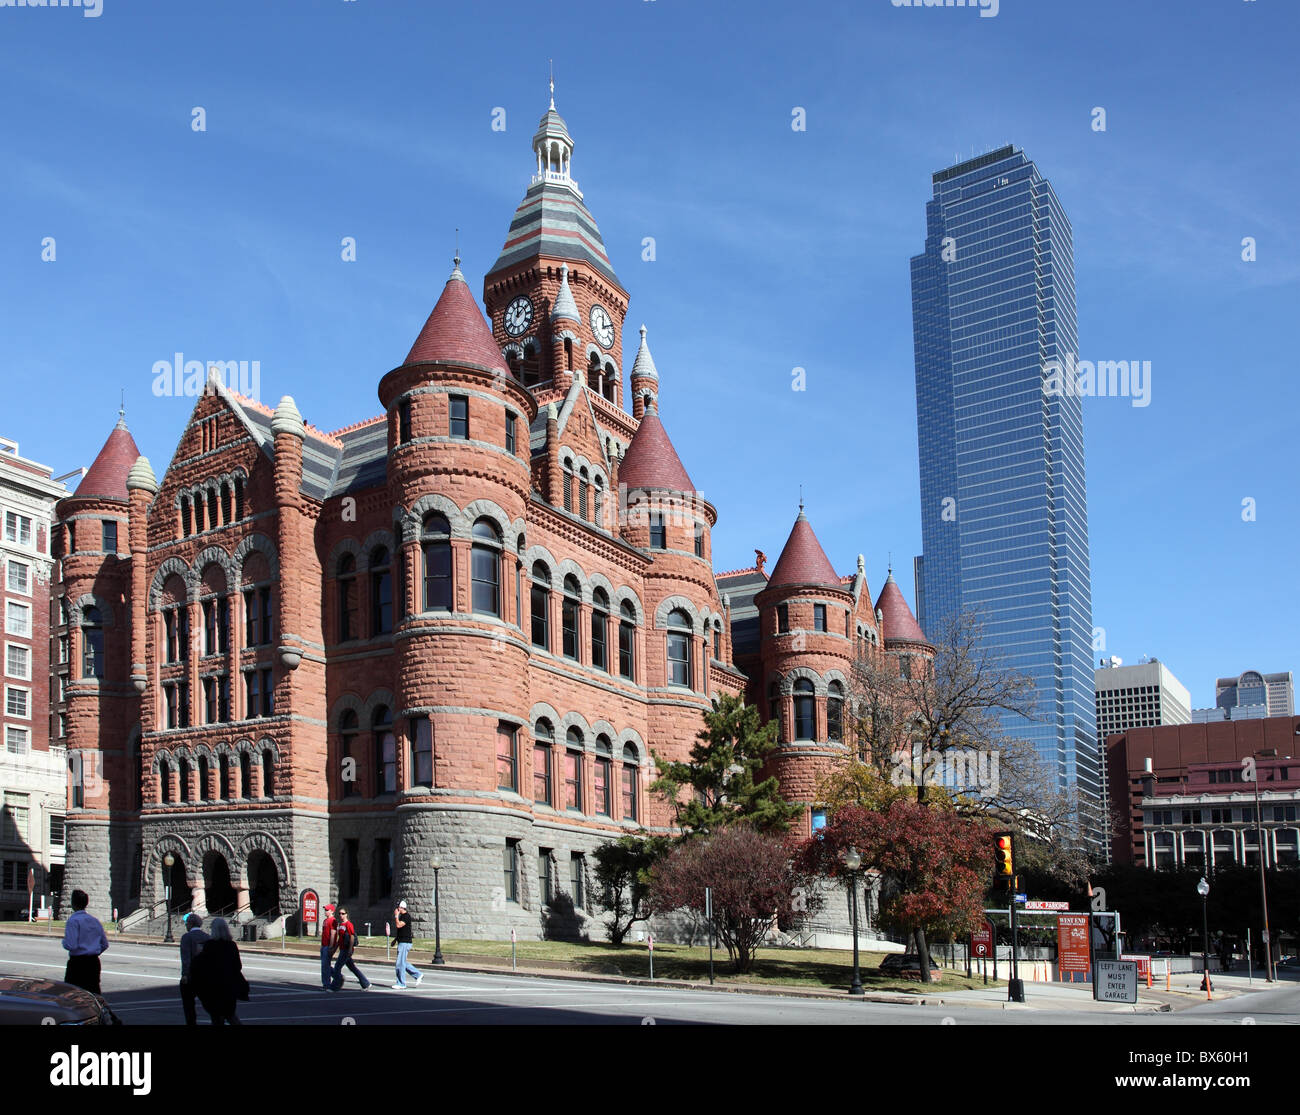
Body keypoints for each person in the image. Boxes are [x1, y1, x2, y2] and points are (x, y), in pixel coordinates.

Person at [192, 917, 246, 1024]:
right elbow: (238, 966)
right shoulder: (231, 945)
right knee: (230, 1014)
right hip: (229, 986)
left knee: (216, 1016)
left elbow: (201, 965)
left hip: (213, 987)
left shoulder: (209, 945)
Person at [62, 889, 109, 995]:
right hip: (93, 962)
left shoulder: (73, 921)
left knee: (72, 993)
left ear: (73, 903)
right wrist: (93, 951)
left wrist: (64, 942)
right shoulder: (94, 921)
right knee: (94, 992)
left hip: (78, 963)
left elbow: (71, 945)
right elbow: (104, 944)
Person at [329, 906, 371, 991]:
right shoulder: (341, 925)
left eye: (343, 913)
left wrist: (350, 949)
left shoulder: (349, 924)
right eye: (340, 914)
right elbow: (340, 939)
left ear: (346, 914)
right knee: (352, 968)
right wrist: (334, 949)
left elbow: (352, 937)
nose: (341, 915)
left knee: (337, 967)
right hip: (342, 949)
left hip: (346, 950)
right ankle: (366, 984)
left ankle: (335, 987)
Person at [178, 913, 210, 1025]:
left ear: (191, 924)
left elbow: (186, 958)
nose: (186, 925)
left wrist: (185, 974)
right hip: (205, 976)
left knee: (188, 1005)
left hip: (191, 976)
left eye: (187, 923)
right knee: (208, 1003)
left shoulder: (186, 937)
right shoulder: (207, 937)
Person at [391, 899, 423, 989]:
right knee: (402, 963)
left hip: (405, 943)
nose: (397, 909)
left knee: (399, 964)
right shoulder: (402, 916)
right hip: (402, 941)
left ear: (402, 908)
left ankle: (401, 983)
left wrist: (396, 916)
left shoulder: (406, 916)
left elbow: (398, 925)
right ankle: (418, 974)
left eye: (398, 907)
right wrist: (395, 940)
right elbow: (401, 930)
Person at [320, 903, 338, 990]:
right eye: (325, 910)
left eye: (327, 910)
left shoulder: (333, 921)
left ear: (332, 911)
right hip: (323, 945)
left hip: (328, 946)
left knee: (325, 966)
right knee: (325, 965)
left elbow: (333, 934)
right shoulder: (325, 921)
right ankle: (338, 977)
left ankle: (326, 984)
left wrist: (331, 946)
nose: (325, 911)